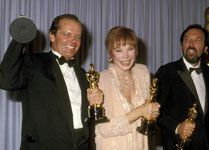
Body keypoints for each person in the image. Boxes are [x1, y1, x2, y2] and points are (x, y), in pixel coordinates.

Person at [0, 14, 103, 150]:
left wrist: (94, 104)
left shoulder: (83, 74)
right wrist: (20, 38)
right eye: (67, 34)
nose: (73, 41)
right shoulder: (33, 63)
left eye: (77, 37)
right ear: (52, 36)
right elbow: (6, 80)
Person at [155, 24, 209, 150]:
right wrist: (178, 128)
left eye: (197, 40)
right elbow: (155, 112)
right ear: (182, 44)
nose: (190, 44)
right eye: (187, 39)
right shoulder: (167, 71)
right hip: (178, 146)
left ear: (205, 48)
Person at [93, 26, 160, 150]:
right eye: (119, 50)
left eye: (130, 49)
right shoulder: (102, 79)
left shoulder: (143, 72)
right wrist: (140, 111)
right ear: (110, 53)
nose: (126, 56)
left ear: (136, 50)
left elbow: (146, 112)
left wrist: (152, 112)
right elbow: (105, 129)